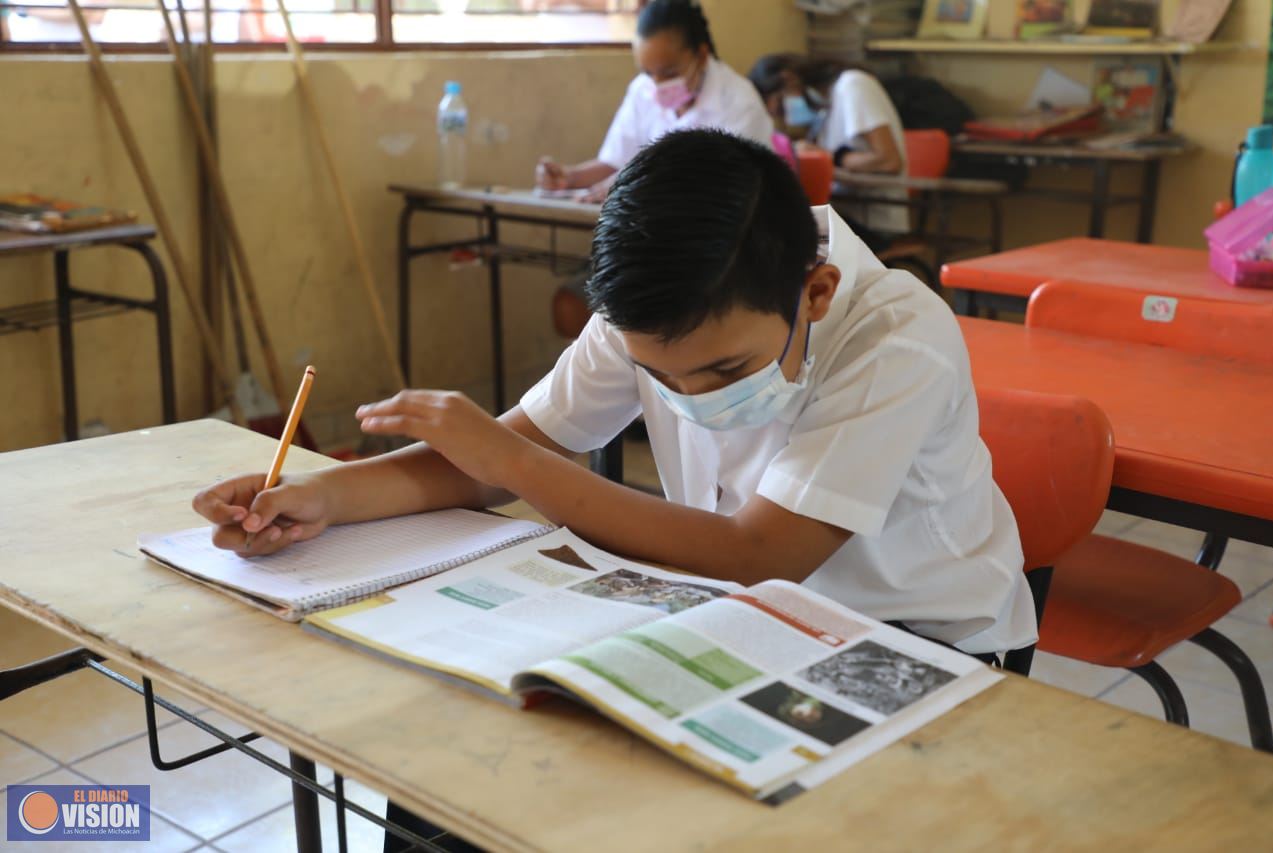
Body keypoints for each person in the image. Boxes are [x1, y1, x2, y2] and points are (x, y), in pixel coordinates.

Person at [194, 129, 1034, 850]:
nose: (690, 396)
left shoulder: (897, 335)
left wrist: (514, 462)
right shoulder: (646, 311)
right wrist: (325, 496)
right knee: (465, 747)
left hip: (918, 643)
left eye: (725, 370)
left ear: (814, 292)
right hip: (745, 611)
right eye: (657, 376)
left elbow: (760, 552)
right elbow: (492, 458)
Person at [535, 0, 773, 203]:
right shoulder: (642, 90)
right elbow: (616, 161)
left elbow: (729, 188)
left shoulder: (740, 105)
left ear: (701, 56)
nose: (658, 85)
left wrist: (635, 183)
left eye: (669, 73)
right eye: (648, 73)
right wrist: (570, 178)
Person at [749, 53, 910, 246]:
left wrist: (828, 158)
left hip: (871, 221)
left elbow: (889, 161)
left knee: (776, 236)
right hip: (841, 213)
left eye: (781, 107)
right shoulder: (824, 105)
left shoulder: (853, 84)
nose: (785, 115)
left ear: (788, 79)